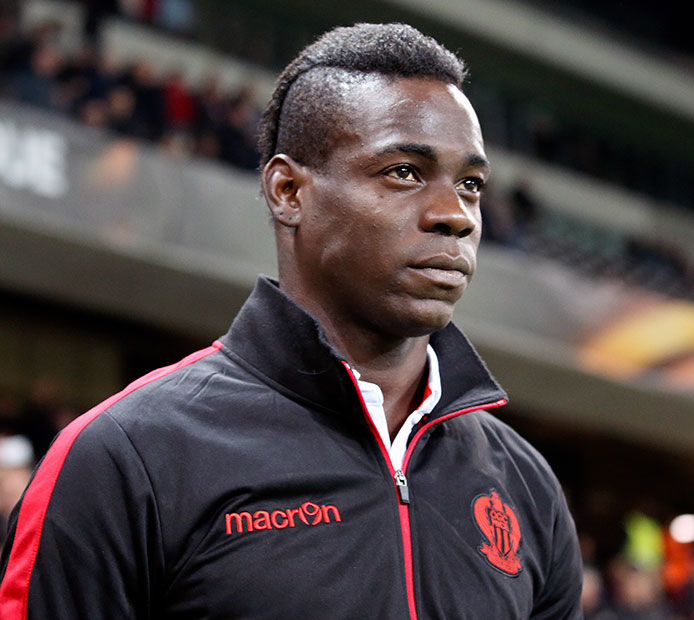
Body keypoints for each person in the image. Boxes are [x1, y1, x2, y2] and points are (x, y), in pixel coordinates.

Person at [0, 22, 583, 618]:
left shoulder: (526, 487)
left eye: (471, 184)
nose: (455, 215)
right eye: (404, 172)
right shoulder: (128, 457)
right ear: (288, 190)